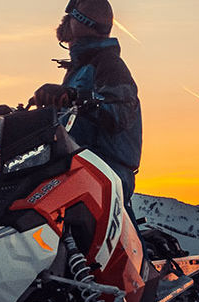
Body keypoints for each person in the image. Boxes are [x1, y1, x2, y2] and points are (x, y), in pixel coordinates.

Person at [30, 0, 142, 202]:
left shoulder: (109, 65)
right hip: (78, 166)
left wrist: (72, 97)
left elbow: (121, 114)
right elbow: (71, 119)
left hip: (105, 172)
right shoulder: (81, 68)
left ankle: (127, 234)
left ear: (79, 24)